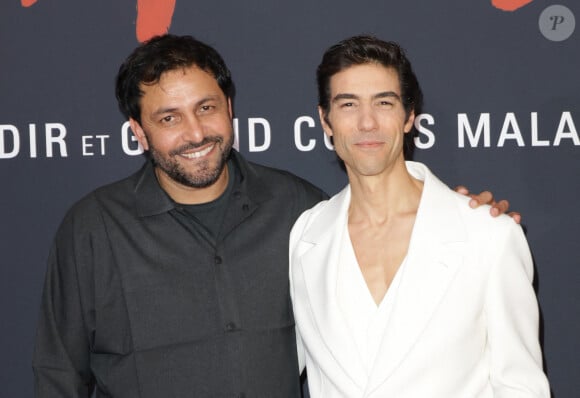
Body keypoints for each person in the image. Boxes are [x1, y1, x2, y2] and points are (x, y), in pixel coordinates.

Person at [33, 34, 515, 397]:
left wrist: (462, 216)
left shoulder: (302, 212)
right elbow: (59, 376)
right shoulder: (92, 229)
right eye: (168, 118)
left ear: (230, 108)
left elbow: (388, 234)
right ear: (138, 131)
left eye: (206, 108)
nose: (195, 132)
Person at [289, 35, 550, 397]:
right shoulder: (305, 235)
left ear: (409, 115)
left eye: (384, 102)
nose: (367, 123)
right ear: (326, 120)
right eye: (348, 104)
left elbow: (521, 387)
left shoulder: (488, 234)